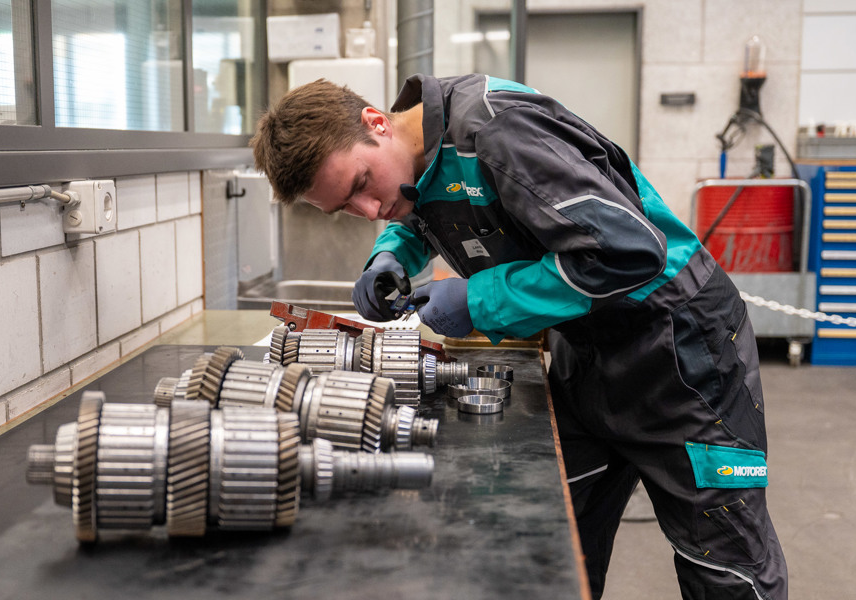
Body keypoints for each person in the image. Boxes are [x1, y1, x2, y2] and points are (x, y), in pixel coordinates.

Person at [250, 74, 787, 600]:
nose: (366, 210)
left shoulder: (500, 132)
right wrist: (389, 254)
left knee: (724, 563)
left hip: (682, 351)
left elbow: (628, 252)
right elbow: (422, 205)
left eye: (361, 186)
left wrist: (479, 300)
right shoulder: (416, 149)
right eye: (345, 209)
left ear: (375, 124)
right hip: (588, 351)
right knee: (548, 541)